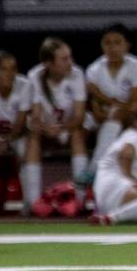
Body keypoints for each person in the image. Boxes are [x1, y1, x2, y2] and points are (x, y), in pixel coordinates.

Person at [27, 37, 89, 210]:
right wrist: (46, 129)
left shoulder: (77, 74)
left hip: (70, 127)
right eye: (64, 59)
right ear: (48, 63)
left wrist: (62, 129)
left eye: (70, 57)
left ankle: (80, 198)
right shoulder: (34, 76)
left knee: (78, 135)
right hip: (45, 127)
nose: (71, 62)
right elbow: (36, 114)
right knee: (33, 137)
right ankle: (33, 203)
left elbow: (79, 115)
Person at [83, 23, 137, 184]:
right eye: (107, 43)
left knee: (116, 116)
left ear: (127, 45)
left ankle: (94, 168)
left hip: (131, 117)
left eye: (118, 42)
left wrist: (115, 107)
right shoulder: (94, 69)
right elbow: (94, 104)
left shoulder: (136, 66)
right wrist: (106, 109)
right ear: (102, 45)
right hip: (103, 118)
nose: (112, 48)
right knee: (104, 122)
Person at [0, 51, 34, 213]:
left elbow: (20, 123)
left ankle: (30, 203)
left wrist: (7, 140)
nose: (10, 73)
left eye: (13, 68)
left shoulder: (24, 85)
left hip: (17, 135)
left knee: (26, 150)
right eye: (4, 69)